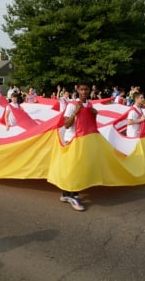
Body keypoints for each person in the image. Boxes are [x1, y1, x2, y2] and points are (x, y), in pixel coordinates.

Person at [61, 80, 98, 211]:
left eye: (86, 89)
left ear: (89, 91)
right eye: (81, 89)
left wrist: (94, 113)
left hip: (83, 140)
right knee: (74, 167)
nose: (83, 92)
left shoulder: (90, 104)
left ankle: (66, 193)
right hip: (71, 139)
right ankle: (74, 195)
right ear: (77, 90)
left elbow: (90, 123)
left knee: (77, 167)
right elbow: (66, 124)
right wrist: (76, 112)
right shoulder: (72, 105)